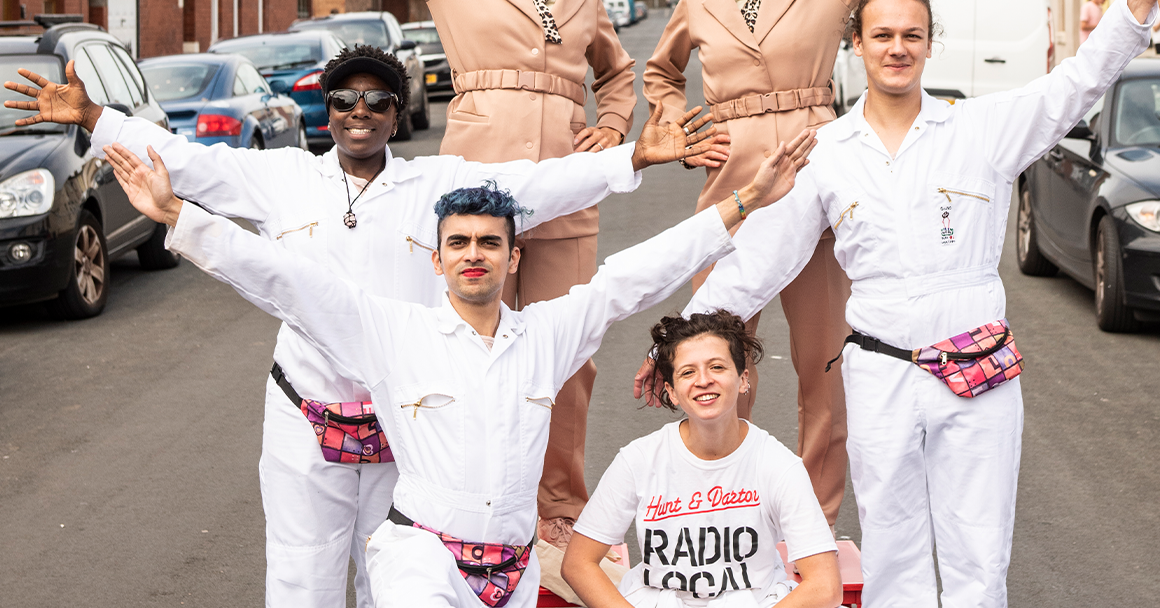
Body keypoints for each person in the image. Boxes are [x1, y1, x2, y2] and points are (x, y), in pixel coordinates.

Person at [3, 44, 727, 608]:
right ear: (327, 109)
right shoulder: (282, 178)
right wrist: (97, 120)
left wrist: (632, 157)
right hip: (305, 413)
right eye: (345, 98)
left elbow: (537, 185)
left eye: (378, 99)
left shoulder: (435, 185)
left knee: (397, 573)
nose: (360, 111)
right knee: (302, 576)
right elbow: (185, 163)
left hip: (404, 415)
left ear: (396, 109)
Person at [638, 0, 1160, 607]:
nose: (897, 48)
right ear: (857, 46)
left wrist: (1135, 6)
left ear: (929, 44)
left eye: (912, 35)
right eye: (882, 35)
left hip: (978, 371)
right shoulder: (828, 152)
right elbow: (761, 258)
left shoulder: (978, 131)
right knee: (893, 550)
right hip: (881, 372)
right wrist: (680, 339)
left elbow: (1072, 86)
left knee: (979, 550)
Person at [97, 122, 814, 608]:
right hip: (423, 564)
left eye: (490, 243)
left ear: (514, 257)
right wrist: (178, 219)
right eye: (460, 242)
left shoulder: (549, 334)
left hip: (516, 565)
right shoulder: (389, 331)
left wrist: (745, 202)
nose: (475, 254)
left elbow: (632, 278)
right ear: (435, 260)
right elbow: (286, 278)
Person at [196, 0, 647, 548]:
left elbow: (620, 72)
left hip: (566, 187)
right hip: (478, 180)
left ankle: (558, 510)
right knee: (463, 347)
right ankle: (467, 498)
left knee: (570, 358)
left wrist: (609, 126)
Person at [641, 0, 1050, 524]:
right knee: (715, 361)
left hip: (819, 182)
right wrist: (677, 128)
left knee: (823, 370)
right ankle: (720, 509)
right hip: (731, 190)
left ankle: (814, 522)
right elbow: (659, 74)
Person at [562, 311, 841, 608]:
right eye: (687, 372)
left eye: (717, 367)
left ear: (743, 379)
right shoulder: (639, 460)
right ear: (672, 392)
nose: (704, 380)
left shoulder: (778, 465)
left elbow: (825, 586)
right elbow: (578, 563)